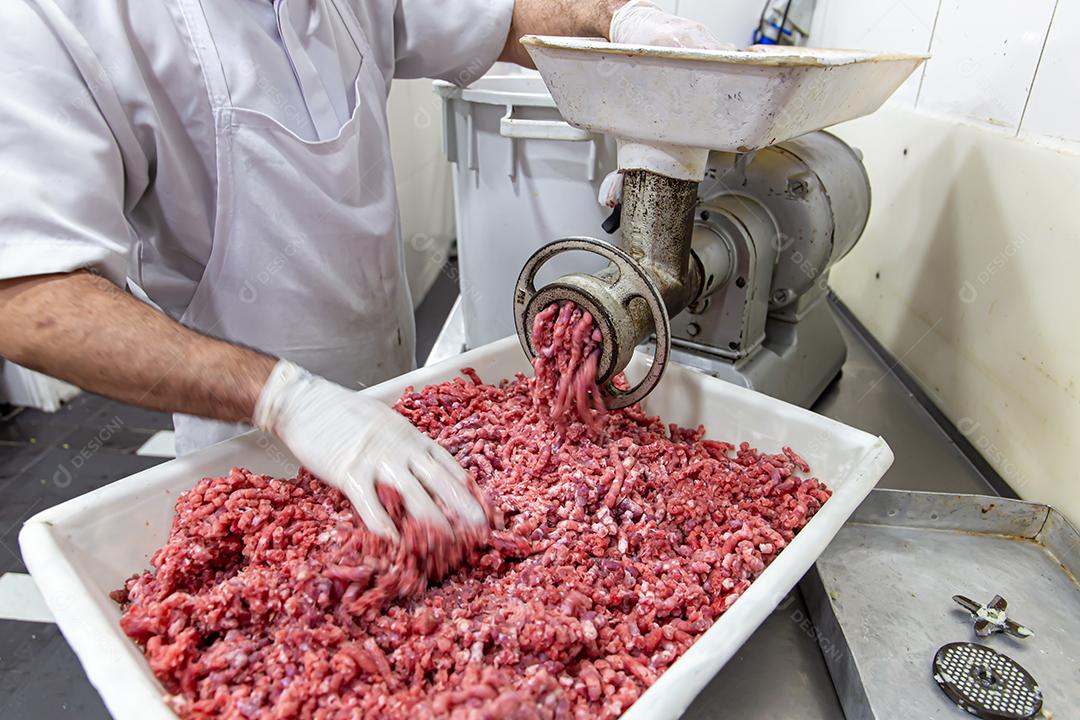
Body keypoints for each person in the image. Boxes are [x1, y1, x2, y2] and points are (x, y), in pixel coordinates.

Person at [0, 0, 726, 538]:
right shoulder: (57, 22)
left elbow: (511, 19)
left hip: (400, 399)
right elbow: (29, 298)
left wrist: (623, 35)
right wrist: (287, 400)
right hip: (254, 445)